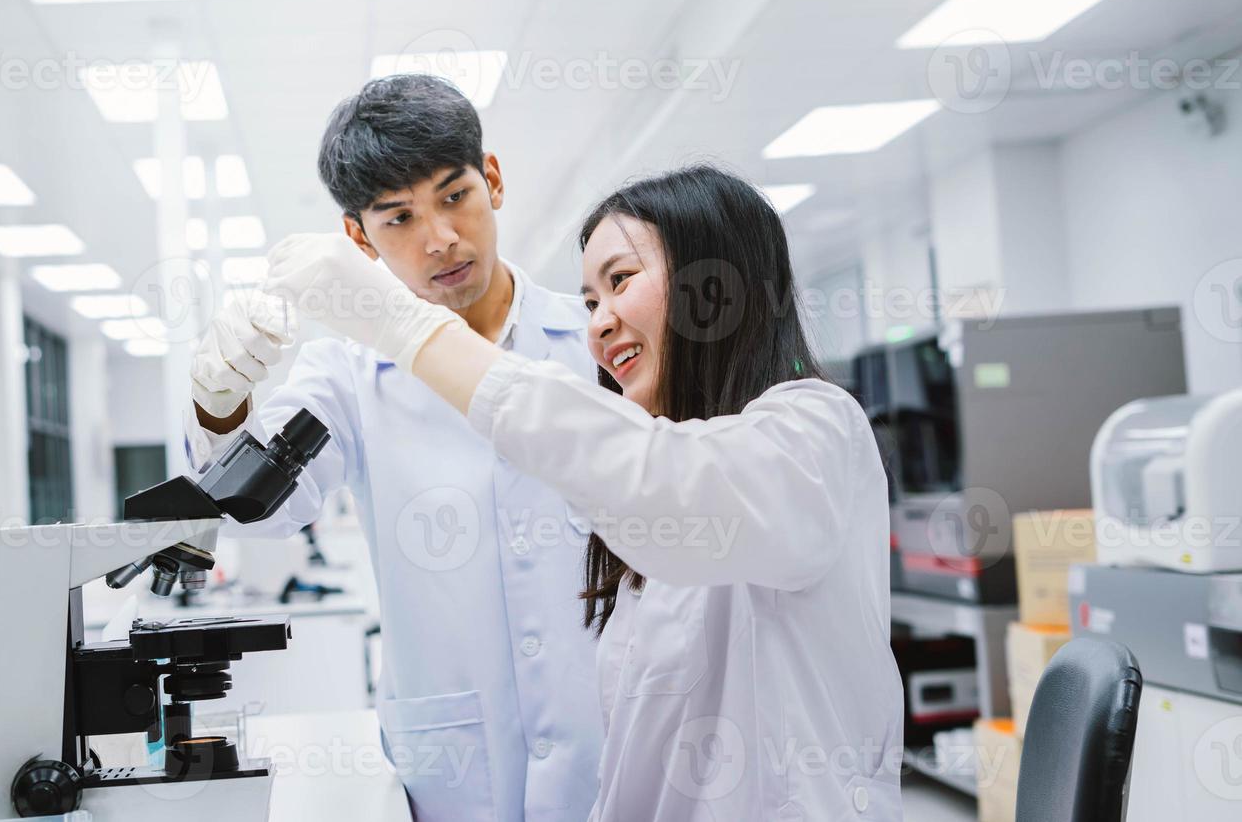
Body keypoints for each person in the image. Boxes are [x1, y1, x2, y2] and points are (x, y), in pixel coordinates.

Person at [264, 164, 905, 821]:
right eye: (591, 300)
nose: (597, 324)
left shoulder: (817, 432)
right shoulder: (644, 524)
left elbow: (671, 492)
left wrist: (409, 330)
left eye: (620, 281)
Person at [186, 74, 603, 822]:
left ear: (494, 181)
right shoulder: (345, 374)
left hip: (614, 751)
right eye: (399, 217)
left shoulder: (597, 342)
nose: (440, 237)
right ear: (357, 238)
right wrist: (219, 406)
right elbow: (255, 511)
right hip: (455, 770)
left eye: (454, 196)